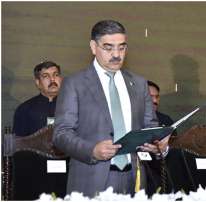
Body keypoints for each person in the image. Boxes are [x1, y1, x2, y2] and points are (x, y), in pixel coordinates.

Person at [53, 20, 169, 197]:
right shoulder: (74, 84)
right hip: (91, 179)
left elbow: (149, 127)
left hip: (135, 179)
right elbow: (61, 134)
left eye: (122, 48)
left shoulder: (138, 84)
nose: (116, 54)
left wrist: (158, 144)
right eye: (108, 48)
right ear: (93, 47)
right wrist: (91, 150)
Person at [12, 61, 67, 200]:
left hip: (67, 176)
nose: (52, 79)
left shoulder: (73, 108)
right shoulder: (24, 110)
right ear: (37, 82)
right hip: (36, 177)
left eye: (56, 75)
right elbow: (19, 150)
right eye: (46, 76)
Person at [146, 80, 193, 194]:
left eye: (157, 97)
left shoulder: (166, 120)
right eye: (150, 97)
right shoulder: (131, 120)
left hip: (162, 178)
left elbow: (175, 150)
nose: (155, 101)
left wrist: (164, 149)